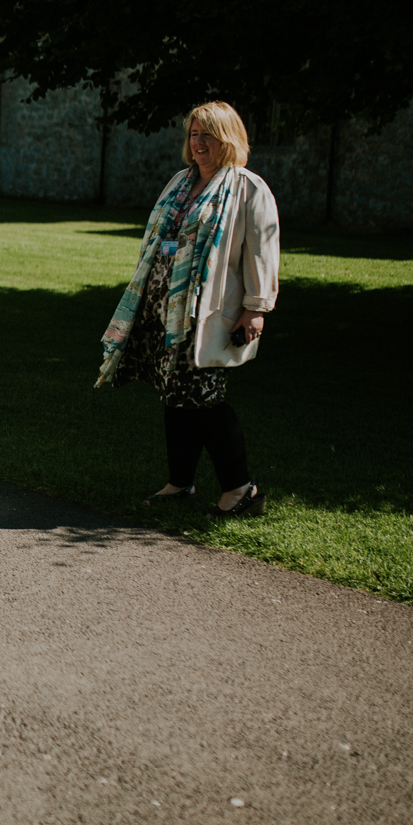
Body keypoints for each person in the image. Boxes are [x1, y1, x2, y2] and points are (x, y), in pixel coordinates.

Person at [96, 101, 280, 517]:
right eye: (194, 134)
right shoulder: (181, 181)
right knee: (174, 393)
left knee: (205, 399)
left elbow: (262, 253)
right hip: (165, 311)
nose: (198, 143)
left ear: (228, 139)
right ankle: (179, 483)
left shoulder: (248, 188)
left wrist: (255, 308)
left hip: (206, 313)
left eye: (208, 135)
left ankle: (241, 490)